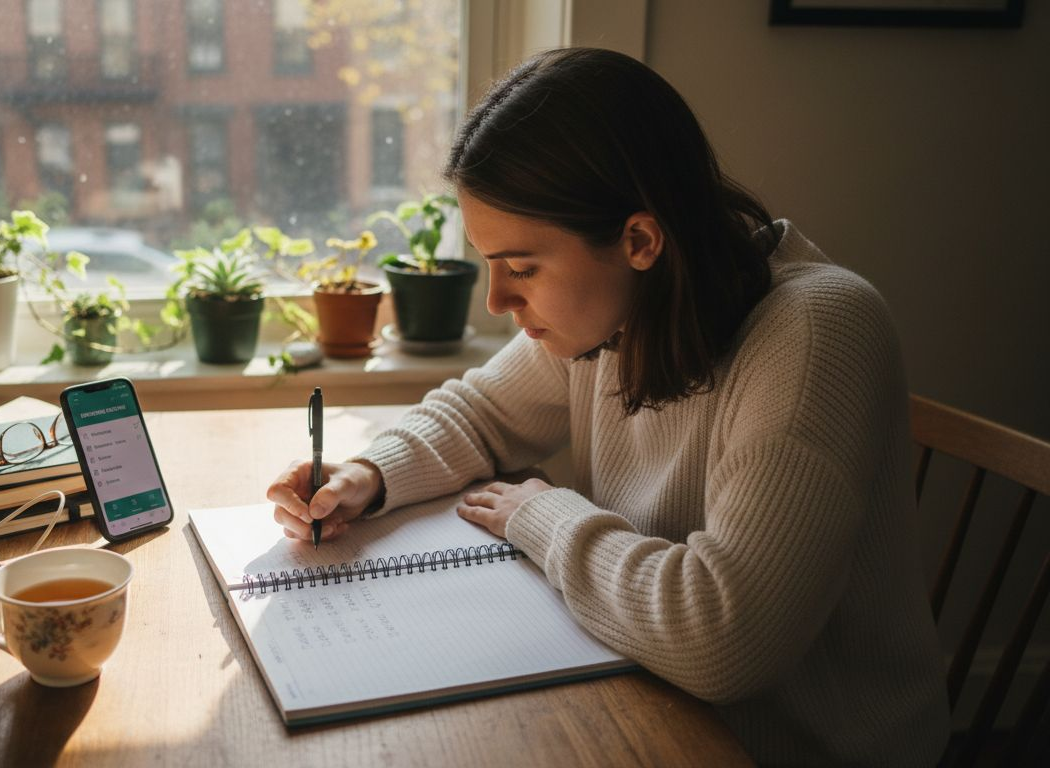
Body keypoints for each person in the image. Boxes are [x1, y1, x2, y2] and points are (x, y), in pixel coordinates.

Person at [266, 48, 948, 766]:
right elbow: (479, 415)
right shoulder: (615, 315)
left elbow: (725, 639)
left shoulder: (817, 332)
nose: (498, 302)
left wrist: (542, 514)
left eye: (522, 268)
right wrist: (364, 476)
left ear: (639, 240)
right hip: (652, 698)